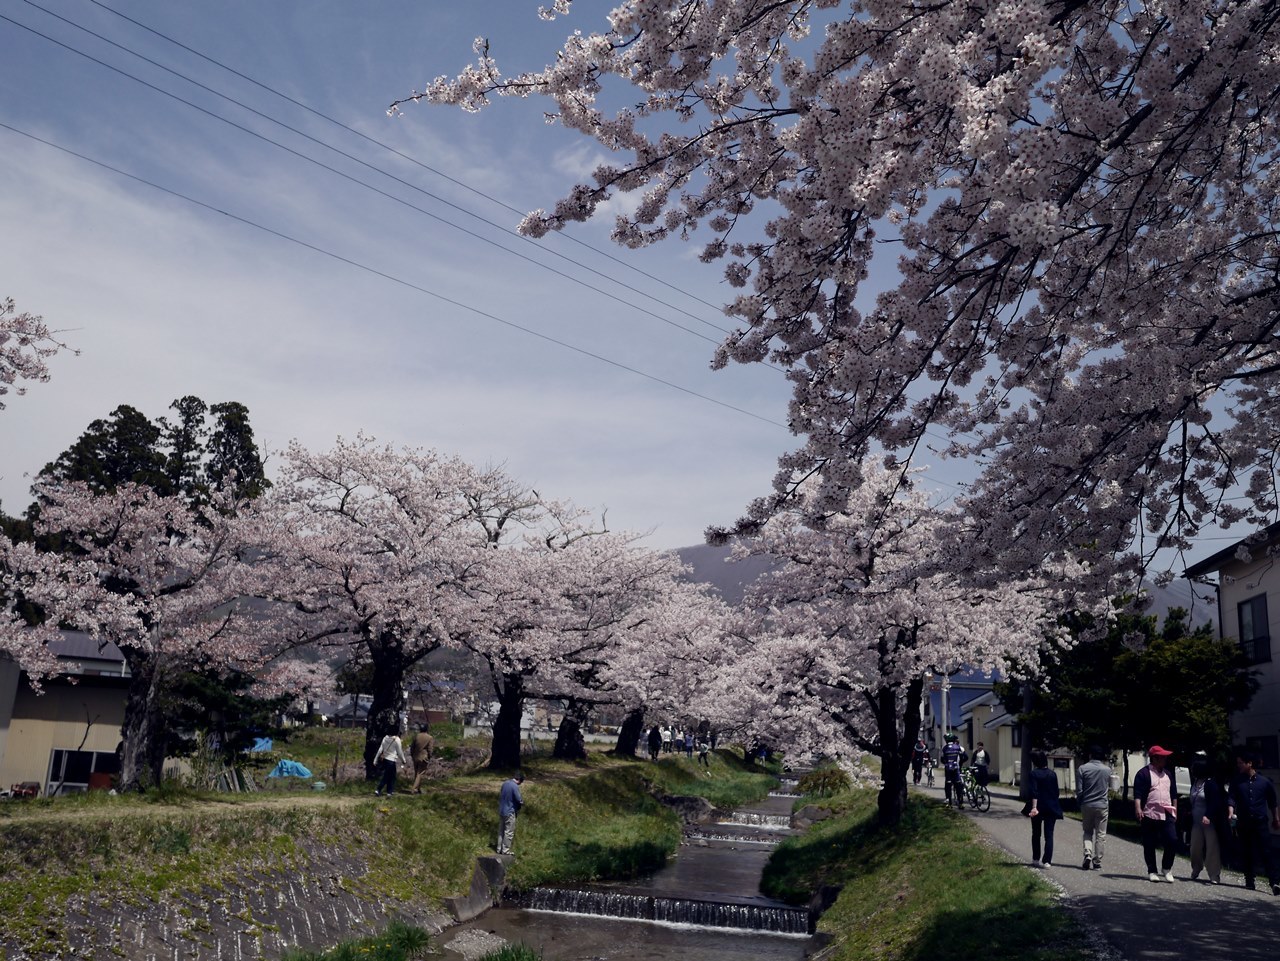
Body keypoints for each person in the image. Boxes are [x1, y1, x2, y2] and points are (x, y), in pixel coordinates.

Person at [1227, 748, 1280, 893]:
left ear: (1249, 764)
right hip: (1244, 822)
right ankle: (1249, 880)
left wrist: (1276, 818)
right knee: (1246, 851)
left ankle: (1274, 882)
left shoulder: (1264, 782)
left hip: (1260, 821)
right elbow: (1231, 798)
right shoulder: (1237, 782)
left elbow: (1273, 802)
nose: (1238, 765)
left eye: (1240, 763)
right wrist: (1231, 812)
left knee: (1267, 851)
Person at [1134, 745, 1179, 882]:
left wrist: (1175, 810)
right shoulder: (1143, 774)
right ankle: (1152, 870)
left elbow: (1174, 794)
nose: (1165, 759)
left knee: (1172, 840)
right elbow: (1138, 794)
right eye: (1162, 757)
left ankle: (1166, 868)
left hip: (1167, 812)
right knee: (1149, 842)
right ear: (1154, 758)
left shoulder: (1168, 774)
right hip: (1149, 812)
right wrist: (1138, 808)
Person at [1188, 757, 1226, 884]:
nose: (1192, 771)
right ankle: (1196, 868)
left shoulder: (1210, 784)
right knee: (1195, 847)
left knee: (1212, 848)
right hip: (1196, 822)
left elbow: (1215, 802)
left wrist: (1208, 815)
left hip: (1209, 822)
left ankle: (1214, 875)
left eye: (1194, 769)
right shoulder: (1195, 783)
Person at [1075, 745, 1111, 871]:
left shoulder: (1082, 769)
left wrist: (1079, 801)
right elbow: (1111, 786)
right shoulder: (1107, 770)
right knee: (1101, 834)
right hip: (1102, 805)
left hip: (1087, 804)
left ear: (1090, 755)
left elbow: (1079, 790)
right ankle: (1097, 860)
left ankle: (1088, 854)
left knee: (1087, 831)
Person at [1025, 750, 1063, 867]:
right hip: (1051, 806)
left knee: (1036, 833)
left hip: (1038, 807)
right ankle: (1047, 861)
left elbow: (1034, 792)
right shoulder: (1053, 774)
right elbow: (1056, 792)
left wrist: (1034, 807)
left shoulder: (1033, 774)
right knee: (1049, 834)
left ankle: (1036, 858)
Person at [373, 726, 408, 797]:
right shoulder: (397, 740)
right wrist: (403, 760)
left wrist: (375, 759)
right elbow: (399, 752)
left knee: (389, 775)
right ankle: (380, 790)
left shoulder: (385, 738)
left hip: (385, 759)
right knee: (389, 776)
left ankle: (389, 791)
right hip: (391, 760)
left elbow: (380, 749)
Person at [497, 772, 526, 855]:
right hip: (510, 811)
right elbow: (518, 799)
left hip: (502, 810)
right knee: (509, 831)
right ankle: (505, 850)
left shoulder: (505, 783)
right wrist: (522, 803)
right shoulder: (515, 786)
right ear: (519, 780)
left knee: (501, 831)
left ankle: (499, 849)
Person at [941, 733, 966, 807]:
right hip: (956, 768)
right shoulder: (959, 747)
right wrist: (960, 763)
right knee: (958, 784)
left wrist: (946, 762)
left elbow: (942, 759)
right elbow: (964, 756)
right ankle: (960, 802)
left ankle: (948, 801)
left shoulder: (944, 748)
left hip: (948, 768)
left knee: (948, 784)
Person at [409, 723, 435, 794]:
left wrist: (412, 755)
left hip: (415, 757)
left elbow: (412, 747)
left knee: (416, 773)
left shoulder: (416, 736)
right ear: (427, 729)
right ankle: (414, 789)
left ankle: (418, 789)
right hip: (423, 757)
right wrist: (430, 756)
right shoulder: (429, 737)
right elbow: (430, 749)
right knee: (420, 773)